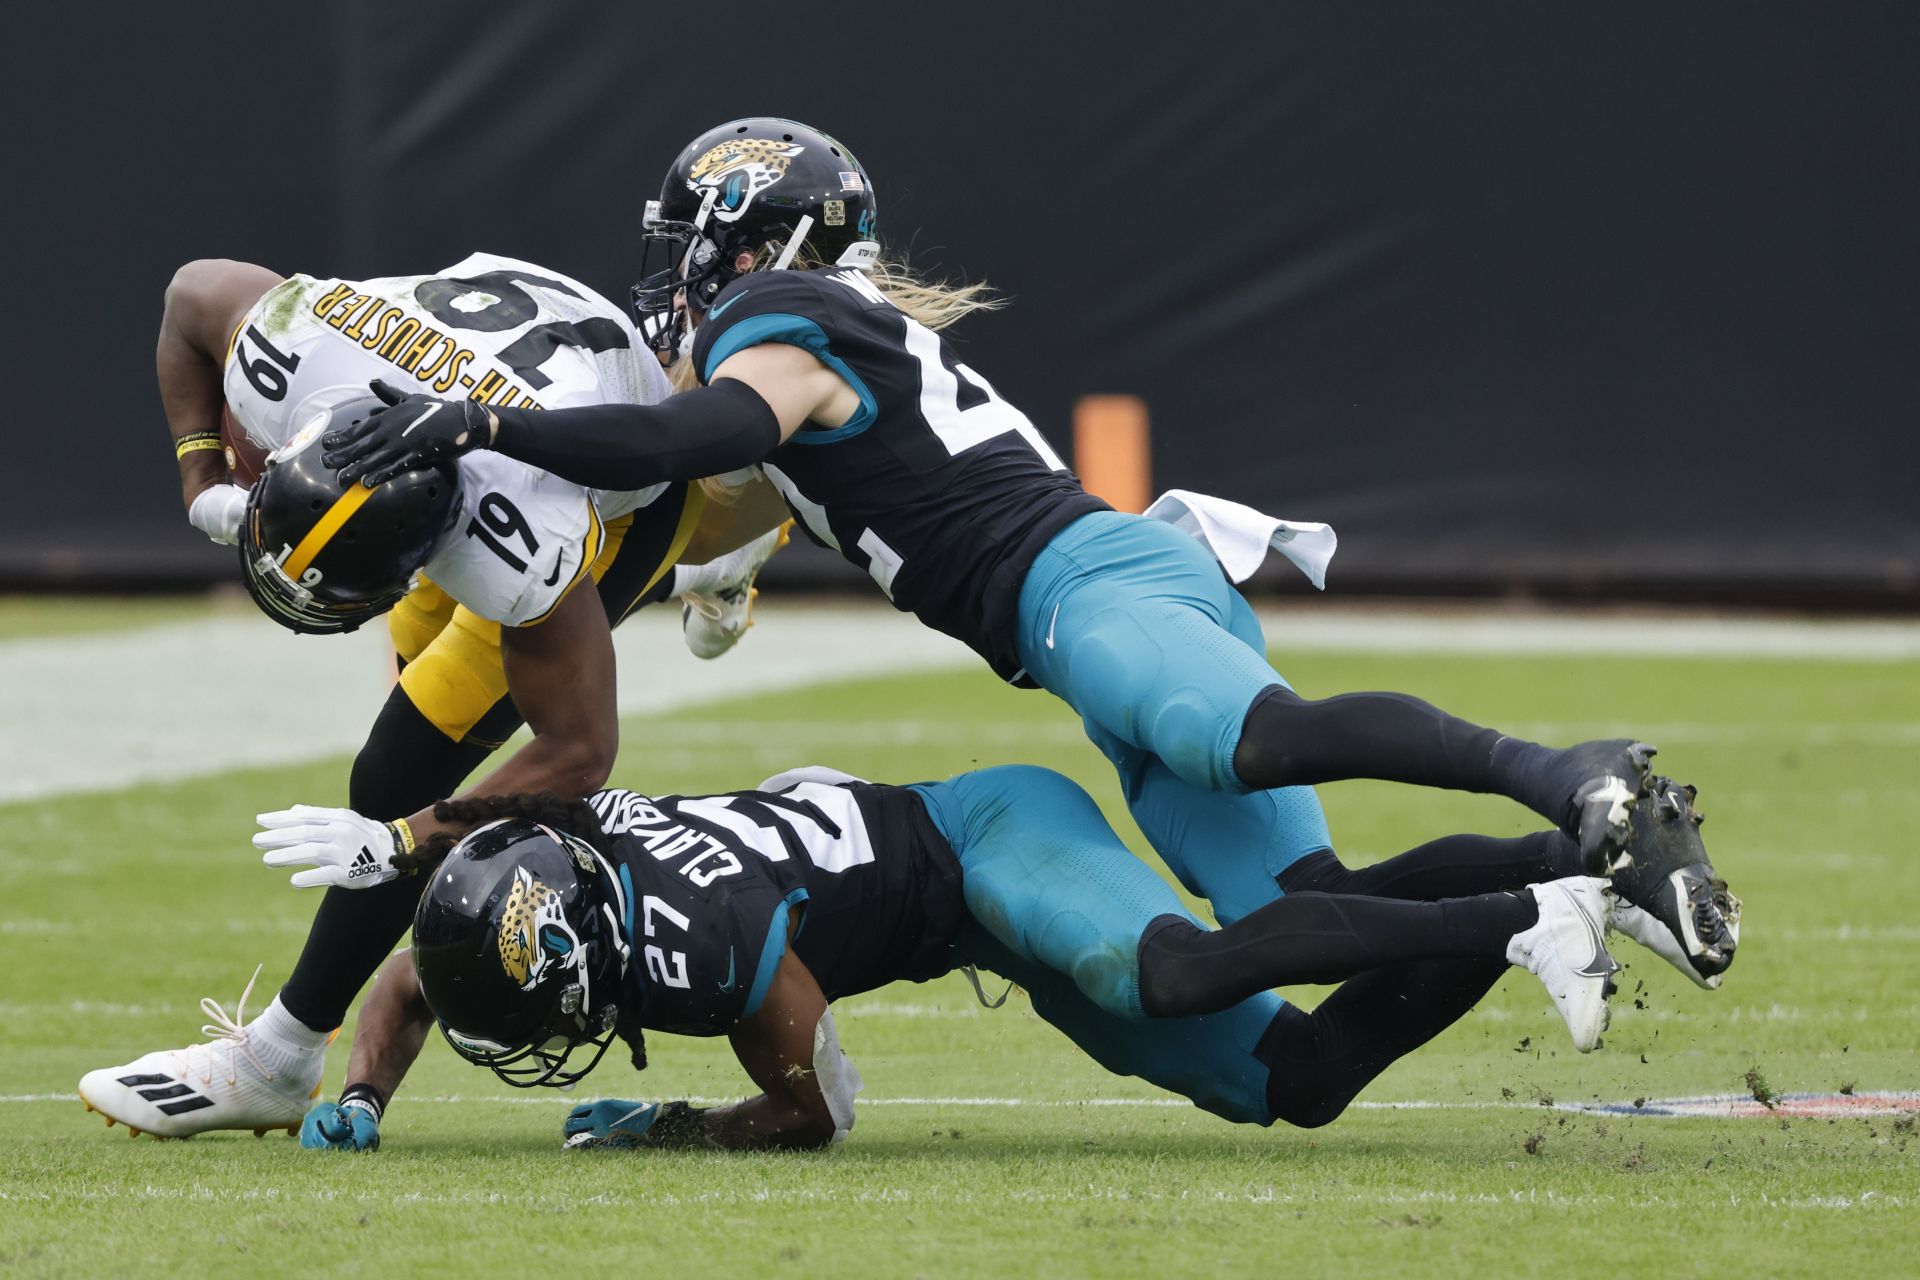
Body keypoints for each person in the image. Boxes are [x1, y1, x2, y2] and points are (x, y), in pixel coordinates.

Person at [321, 120, 1740, 985]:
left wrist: (469, 415)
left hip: (1083, 587)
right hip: (1085, 613)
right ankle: (1582, 875)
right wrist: (710, 579)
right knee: (1313, 908)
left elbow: (675, 446)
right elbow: (735, 489)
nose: (677, 270)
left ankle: (1580, 773)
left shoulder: (784, 324)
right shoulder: (811, 340)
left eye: (695, 242)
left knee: (1257, 740)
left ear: (753, 245)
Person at [78, 253, 789, 1140]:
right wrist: (202, 480)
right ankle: (723, 548)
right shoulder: (291, 350)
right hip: (462, 386)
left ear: (427, 550)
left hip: (602, 477)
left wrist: (400, 839)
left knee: (395, 780)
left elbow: (578, 749)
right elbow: (189, 293)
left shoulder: (523, 539)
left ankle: (275, 1056)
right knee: (410, 739)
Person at [286, 761, 1724, 1153]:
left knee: (1178, 970)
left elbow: (815, 1114)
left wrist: (682, 1124)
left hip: (979, 836)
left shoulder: (710, 956)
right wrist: (363, 1091)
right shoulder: (541, 873)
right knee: (1299, 1080)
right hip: (950, 898)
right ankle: (1555, 867)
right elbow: (424, 967)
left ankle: (1540, 910)